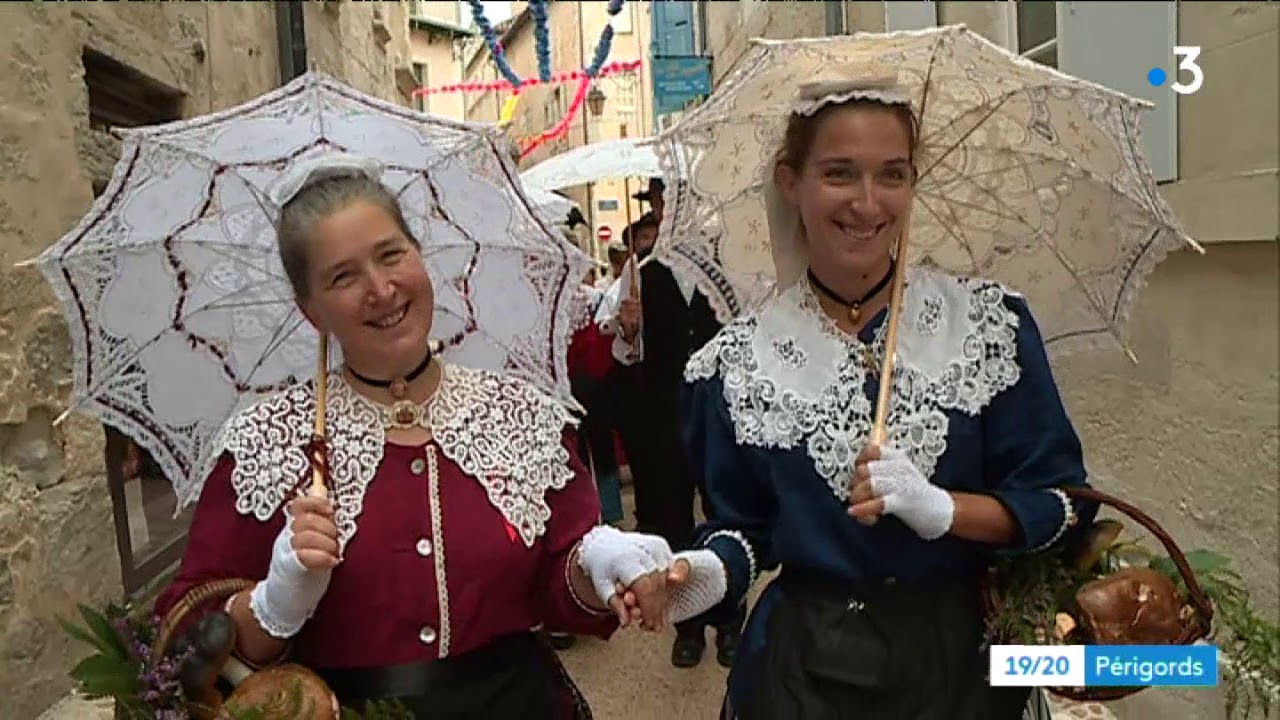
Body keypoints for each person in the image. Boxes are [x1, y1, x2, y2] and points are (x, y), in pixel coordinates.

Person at [153, 153, 679, 718]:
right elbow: (183, 637)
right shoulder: (266, 443)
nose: (380, 290)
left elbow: (558, 584)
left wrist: (597, 560)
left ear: (420, 258)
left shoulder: (519, 415)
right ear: (312, 312)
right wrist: (274, 604)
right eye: (343, 276)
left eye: (391, 255)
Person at [652, 77, 1099, 718]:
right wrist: (704, 575)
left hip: (965, 670)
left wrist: (947, 510)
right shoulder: (736, 363)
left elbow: (1063, 505)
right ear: (790, 181)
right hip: (802, 675)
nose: (867, 204)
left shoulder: (986, 327)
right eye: (839, 173)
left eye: (892, 175)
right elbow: (744, 530)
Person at [601, 199, 746, 669]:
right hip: (663, 417)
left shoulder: (727, 271)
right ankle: (688, 628)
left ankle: (729, 622)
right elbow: (627, 354)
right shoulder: (644, 273)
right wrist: (629, 329)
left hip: (718, 414)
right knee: (673, 520)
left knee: (725, 513)